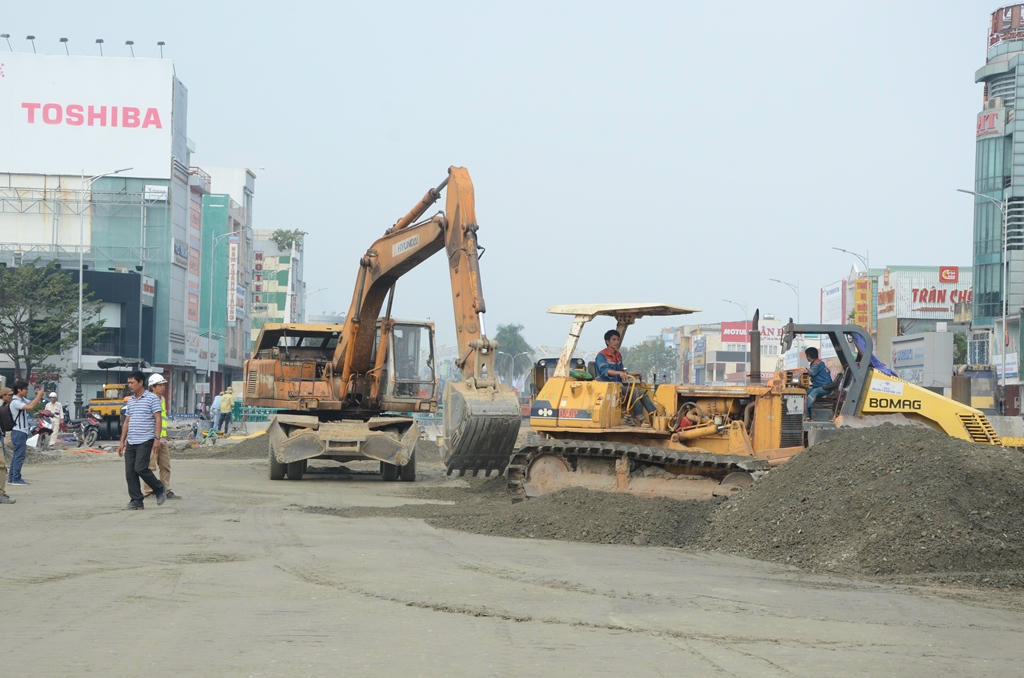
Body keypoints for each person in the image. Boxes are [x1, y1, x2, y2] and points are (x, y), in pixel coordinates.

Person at [118, 371, 167, 510]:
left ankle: (159, 488)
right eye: (128, 382)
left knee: (140, 468)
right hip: (131, 440)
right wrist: (122, 441)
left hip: (146, 439)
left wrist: (157, 438)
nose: (129, 385)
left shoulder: (152, 399)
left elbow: (158, 418)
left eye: (132, 382)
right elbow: (127, 421)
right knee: (130, 472)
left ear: (140, 383)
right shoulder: (131, 401)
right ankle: (136, 500)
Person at [594, 329, 659, 426]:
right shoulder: (601, 356)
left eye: (618, 340)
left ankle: (655, 416)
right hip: (607, 387)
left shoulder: (618, 355)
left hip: (618, 386)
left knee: (642, 393)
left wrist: (633, 374)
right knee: (634, 391)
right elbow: (605, 371)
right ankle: (640, 418)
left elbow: (622, 372)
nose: (616, 342)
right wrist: (619, 373)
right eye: (614, 339)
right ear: (607, 342)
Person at [142, 373, 180, 501]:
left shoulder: (162, 399)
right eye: (160, 385)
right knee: (150, 466)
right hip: (152, 438)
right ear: (153, 387)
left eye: (164, 385)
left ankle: (166, 490)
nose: (163, 387)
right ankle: (148, 491)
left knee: (165, 466)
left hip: (162, 438)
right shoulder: (148, 400)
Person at [8, 379, 43, 485]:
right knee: (19, 456)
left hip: (20, 431)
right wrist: (39, 395)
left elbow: (33, 403)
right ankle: (16, 478)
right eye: (25, 389)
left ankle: (12, 478)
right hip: (18, 431)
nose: (27, 390)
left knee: (17, 455)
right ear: (19, 390)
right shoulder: (15, 402)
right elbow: (30, 407)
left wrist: (38, 397)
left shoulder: (21, 399)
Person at [804, 347, 833, 416]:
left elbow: (812, 373)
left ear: (809, 355)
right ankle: (807, 412)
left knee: (814, 392)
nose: (806, 357)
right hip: (819, 386)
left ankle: (806, 415)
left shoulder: (817, 363)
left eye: (806, 355)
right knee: (805, 393)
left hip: (824, 387)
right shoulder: (817, 363)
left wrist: (804, 370)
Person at [0, 387, 14, 504]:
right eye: (9, 395)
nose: (11, 397)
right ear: (3, 396)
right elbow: (8, 425)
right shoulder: (3, 408)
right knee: (1, 466)